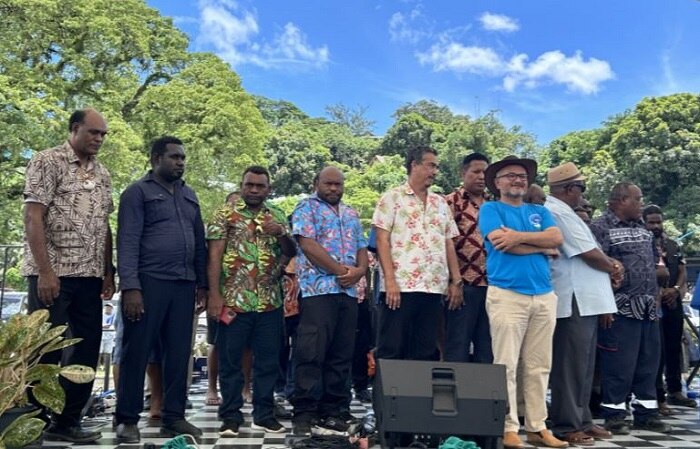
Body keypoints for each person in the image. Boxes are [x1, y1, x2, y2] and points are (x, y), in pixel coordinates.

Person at [22, 108, 115, 443]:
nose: (99, 139)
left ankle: (68, 420)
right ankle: (32, 423)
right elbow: (33, 216)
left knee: (85, 351)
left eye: (103, 134)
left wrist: (108, 271)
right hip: (53, 275)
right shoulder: (47, 161)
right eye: (94, 132)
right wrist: (45, 272)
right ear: (75, 129)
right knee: (46, 350)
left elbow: (104, 224)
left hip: (90, 276)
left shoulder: (102, 173)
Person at [115, 136, 207, 443]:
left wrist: (203, 284)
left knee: (179, 354)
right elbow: (127, 241)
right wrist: (130, 286)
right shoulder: (137, 192)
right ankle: (127, 419)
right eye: (174, 157)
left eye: (182, 157)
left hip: (184, 284)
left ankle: (174, 417)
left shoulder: (189, 195)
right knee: (137, 352)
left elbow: (199, 242)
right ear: (156, 159)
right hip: (149, 282)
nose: (180, 162)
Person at [478, 155, 566, 449]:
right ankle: (508, 427)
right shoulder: (490, 209)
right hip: (507, 294)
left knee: (539, 365)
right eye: (511, 176)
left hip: (543, 294)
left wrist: (518, 237)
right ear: (497, 183)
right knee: (506, 364)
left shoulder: (539, 210)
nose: (518, 180)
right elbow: (502, 244)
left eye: (522, 176)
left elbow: (556, 238)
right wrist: (540, 246)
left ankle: (537, 426)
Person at [207, 166, 295, 436]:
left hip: (269, 302)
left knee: (268, 362)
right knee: (230, 362)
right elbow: (214, 256)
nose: (254, 190)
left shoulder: (277, 214)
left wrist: (280, 232)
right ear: (242, 185)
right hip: (233, 301)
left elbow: (291, 251)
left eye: (260, 186)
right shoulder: (224, 214)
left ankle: (264, 415)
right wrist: (214, 295)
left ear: (269, 189)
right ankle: (230, 417)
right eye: (250, 185)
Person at [544, 162, 621, 445]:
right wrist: (614, 266)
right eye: (581, 188)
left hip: (587, 300)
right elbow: (587, 253)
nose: (583, 194)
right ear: (569, 188)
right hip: (572, 299)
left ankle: (583, 420)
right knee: (569, 367)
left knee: (585, 367)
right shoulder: (555, 212)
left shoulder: (567, 212)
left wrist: (611, 268)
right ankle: (566, 424)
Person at [291, 166, 368, 436]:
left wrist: (359, 271)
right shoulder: (306, 208)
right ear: (317, 183)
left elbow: (362, 246)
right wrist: (341, 271)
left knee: (341, 354)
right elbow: (308, 245)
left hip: (348, 293)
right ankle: (305, 412)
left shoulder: (351, 213)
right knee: (311, 352)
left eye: (338, 184)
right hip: (318, 291)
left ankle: (334, 410)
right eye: (328, 183)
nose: (334, 188)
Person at [590, 183, 671, 434]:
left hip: (648, 307)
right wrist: (604, 305)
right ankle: (614, 415)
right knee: (619, 364)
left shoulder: (643, 228)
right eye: (638, 199)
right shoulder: (601, 227)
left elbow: (654, 263)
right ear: (622, 200)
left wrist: (656, 295)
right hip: (619, 308)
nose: (641, 204)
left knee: (649, 363)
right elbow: (596, 268)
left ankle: (647, 414)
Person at [372, 146, 462, 364]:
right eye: (431, 165)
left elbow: (448, 242)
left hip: (433, 287)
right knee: (391, 348)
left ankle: (419, 389)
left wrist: (456, 281)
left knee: (425, 350)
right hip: (400, 287)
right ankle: (387, 388)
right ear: (414, 165)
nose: (435, 172)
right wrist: (390, 281)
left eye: (436, 167)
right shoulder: (392, 198)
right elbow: (382, 241)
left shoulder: (440, 202)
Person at [644, 205, 696, 409]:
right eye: (651, 222)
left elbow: (682, 271)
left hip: (672, 301)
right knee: (655, 350)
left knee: (674, 346)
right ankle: (657, 395)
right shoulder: (641, 244)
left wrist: (675, 290)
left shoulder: (673, 245)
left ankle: (675, 390)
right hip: (651, 301)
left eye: (658, 222)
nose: (655, 226)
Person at [444, 152, 493, 363]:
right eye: (476, 172)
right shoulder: (450, 202)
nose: (481, 177)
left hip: (493, 285)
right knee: (458, 343)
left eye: (485, 173)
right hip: (464, 285)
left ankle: (485, 385)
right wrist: (453, 282)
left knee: (488, 345)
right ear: (463, 173)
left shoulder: (494, 204)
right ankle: (455, 385)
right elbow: (445, 243)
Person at [206, 190, 241, 407]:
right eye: (232, 204)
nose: (236, 208)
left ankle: (245, 388)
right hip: (220, 295)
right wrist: (212, 293)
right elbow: (210, 259)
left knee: (246, 346)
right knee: (216, 342)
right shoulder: (217, 226)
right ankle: (212, 387)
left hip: (246, 297)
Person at [99, 303, 116, 373]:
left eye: (109, 307)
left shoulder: (114, 316)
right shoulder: (101, 315)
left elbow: (115, 325)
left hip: (110, 337)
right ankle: (99, 366)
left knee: (108, 353)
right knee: (99, 352)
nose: (108, 309)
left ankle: (107, 369)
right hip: (101, 336)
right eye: (106, 307)